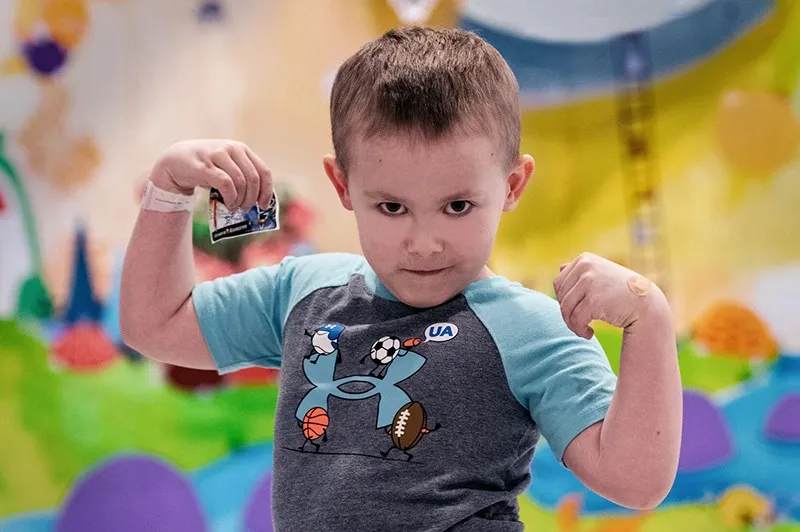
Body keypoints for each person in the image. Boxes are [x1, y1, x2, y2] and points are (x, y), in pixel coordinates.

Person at [120, 26, 682, 531]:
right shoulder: (304, 293)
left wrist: (648, 317)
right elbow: (155, 324)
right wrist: (167, 189)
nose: (424, 241)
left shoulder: (532, 329)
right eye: (392, 208)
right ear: (342, 186)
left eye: (457, 206)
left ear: (512, 186)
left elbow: (635, 483)